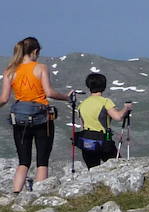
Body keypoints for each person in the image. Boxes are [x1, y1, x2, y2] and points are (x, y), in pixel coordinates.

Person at [0, 37, 75, 193]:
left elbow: (4, 99)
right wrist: (67, 97)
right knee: (42, 160)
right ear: (35, 52)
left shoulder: (9, 71)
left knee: (23, 161)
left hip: (19, 119)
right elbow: (49, 93)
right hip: (42, 119)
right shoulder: (40, 68)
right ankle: (40, 195)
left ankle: (16, 193)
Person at [75, 72, 132, 169]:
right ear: (104, 86)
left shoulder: (82, 105)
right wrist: (126, 108)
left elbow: (82, 125)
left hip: (87, 142)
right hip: (103, 142)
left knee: (92, 170)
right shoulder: (105, 102)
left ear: (89, 86)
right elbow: (118, 117)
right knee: (118, 167)